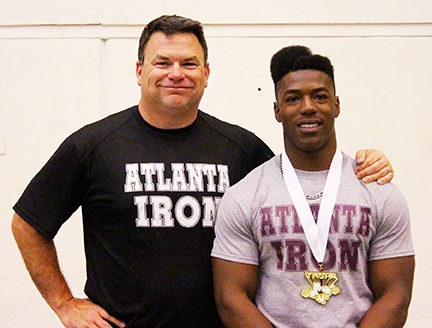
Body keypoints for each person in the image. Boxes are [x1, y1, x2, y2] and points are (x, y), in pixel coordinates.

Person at [11, 15, 394, 328]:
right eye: (163, 62)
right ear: (140, 70)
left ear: (206, 73)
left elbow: (305, 187)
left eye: (189, 64)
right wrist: (63, 303)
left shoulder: (242, 149)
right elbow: (28, 223)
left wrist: (366, 163)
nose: (176, 73)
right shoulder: (93, 146)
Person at [211, 45, 415, 328]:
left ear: (337, 105)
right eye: (293, 99)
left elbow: (396, 295)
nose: (308, 107)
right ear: (277, 110)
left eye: (319, 96)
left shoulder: (380, 191)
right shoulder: (244, 196)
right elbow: (230, 297)